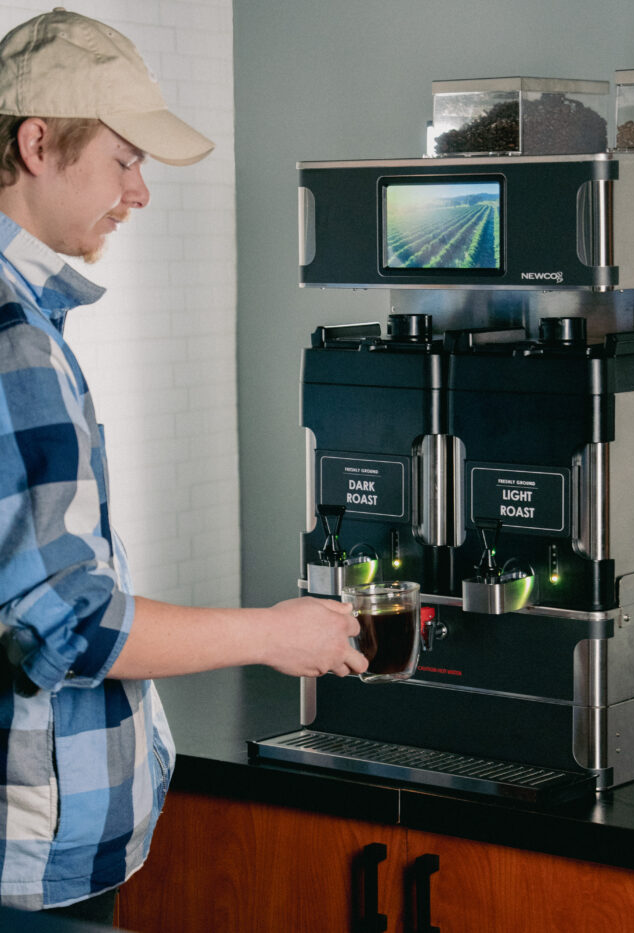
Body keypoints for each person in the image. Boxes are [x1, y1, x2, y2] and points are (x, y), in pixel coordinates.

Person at [0, 8, 368, 922]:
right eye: (124, 160)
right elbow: (68, 624)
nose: (139, 192)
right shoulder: (15, 341)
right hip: (28, 856)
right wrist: (274, 635)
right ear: (37, 144)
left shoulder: (31, 322)